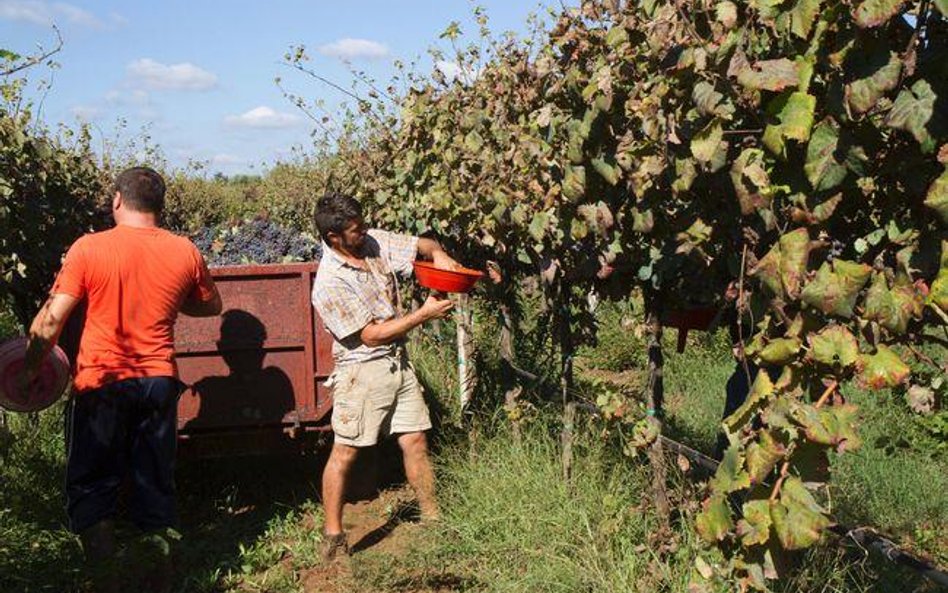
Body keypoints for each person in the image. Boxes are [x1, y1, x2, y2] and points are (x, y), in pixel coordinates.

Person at [18, 166, 222, 592]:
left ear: (116, 200)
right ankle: (161, 581)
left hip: (102, 383)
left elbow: (53, 318)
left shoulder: (90, 249)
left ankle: (106, 581)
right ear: (160, 205)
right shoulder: (184, 250)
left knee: (92, 486)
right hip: (159, 382)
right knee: (155, 484)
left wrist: (28, 369)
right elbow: (210, 306)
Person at [311, 192, 459, 561]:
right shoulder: (329, 282)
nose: (364, 233)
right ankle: (333, 535)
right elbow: (370, 334)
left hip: (398, 362)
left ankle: (433, 519)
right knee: (345, 452)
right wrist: (423, 314)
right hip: (361, 371)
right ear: (334, 238)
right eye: (355, 230)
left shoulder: (372, 241)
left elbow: (422, 244)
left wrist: (438, 254)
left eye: (362, 225)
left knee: (416, 440)